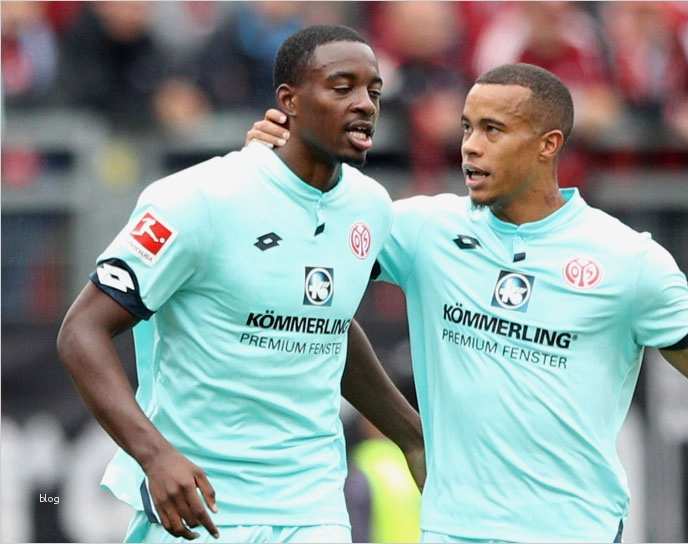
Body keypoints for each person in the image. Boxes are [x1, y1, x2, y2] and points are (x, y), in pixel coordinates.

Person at [249, 62, 688, 542]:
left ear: (548, 146)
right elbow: (306, 270)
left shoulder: (628, 261)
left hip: (573, 529)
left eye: (494, 129)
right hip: (452, 529)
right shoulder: (423, 231)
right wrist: (272, 173)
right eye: (467, 127)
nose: (471, 145)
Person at [57, 25, 424, 543]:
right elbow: (81, 332)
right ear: (288, 101)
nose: (364, 104)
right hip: (201, 504)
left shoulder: (370, 206)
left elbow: (328, 324)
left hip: (313, 507)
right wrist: (155, 455)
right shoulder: (200, 198)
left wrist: (413, 437)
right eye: (342, 88)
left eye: (374, 91)